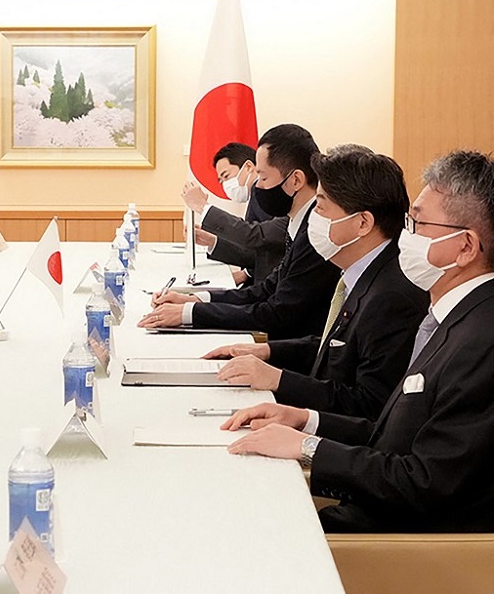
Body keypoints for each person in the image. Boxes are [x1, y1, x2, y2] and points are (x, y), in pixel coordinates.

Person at [223, 150, 494, 533]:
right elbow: (392, 435)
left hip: (400, 541)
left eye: (417, 224)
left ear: (465, 247)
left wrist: (308, 448)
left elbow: (425, 481)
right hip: (371, 505)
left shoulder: (481, 339)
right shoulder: (451, 316)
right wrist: (303, 421)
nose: (406, 235)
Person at [204, 146, 429, 419]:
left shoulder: (392, 296)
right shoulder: (360, 270)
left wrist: (278, 380)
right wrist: (266, 351)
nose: (314, 218)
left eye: (321, 207)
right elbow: (333, 347)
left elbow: (369, 405)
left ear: (362, 223)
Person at [140, 124, 340, 340]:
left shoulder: (315, 232)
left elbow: (276, 313)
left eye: (263, 178)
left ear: (296, 180)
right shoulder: (299, 224)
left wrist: (189, 313)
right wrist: (194, 300)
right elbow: (264, 291)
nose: (258, 188)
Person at [185, 143, 288, 284]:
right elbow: (260, 249)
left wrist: (203, 206)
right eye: (221, 181)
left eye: (226, 176)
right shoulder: (255, 196)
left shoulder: (264, 194)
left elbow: (259, 237)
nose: (225, 185)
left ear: (248, 167)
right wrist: (212, 241)